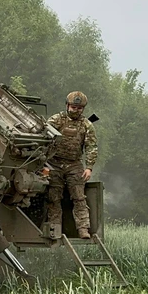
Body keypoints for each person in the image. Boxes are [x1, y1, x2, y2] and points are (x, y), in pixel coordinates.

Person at [46, 91, 98, 239]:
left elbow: (91, 147)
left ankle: (83, 229)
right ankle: (54, 229)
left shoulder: (87, 125)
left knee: (79, 197)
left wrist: (89, 167)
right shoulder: (56, 120)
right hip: (54, 163)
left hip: (74, 165)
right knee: (53, 198)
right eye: (74, 107)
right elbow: (44, 137)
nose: (76, 110)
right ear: (67, 105)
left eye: (79, 108)